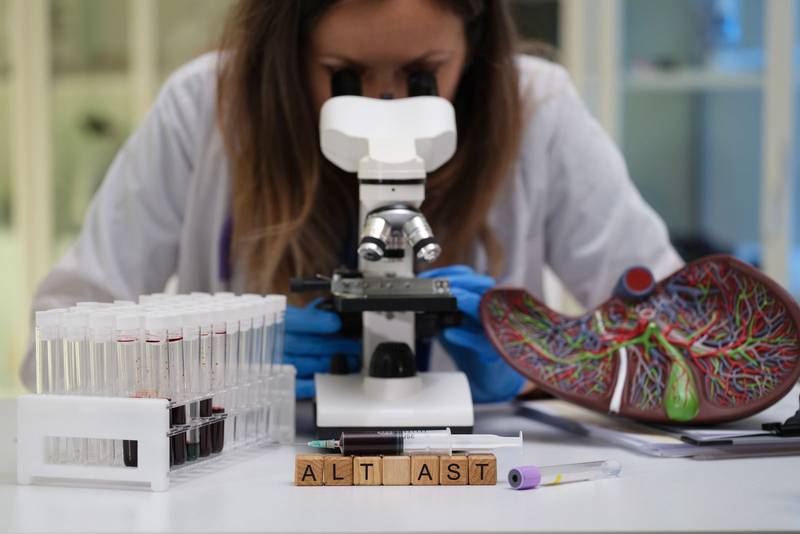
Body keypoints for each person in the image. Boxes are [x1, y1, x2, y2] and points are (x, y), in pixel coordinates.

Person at [22, 0, 683, 402]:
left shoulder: (539, 111)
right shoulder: (203, 110)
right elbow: (55, 345)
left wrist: (544, 361)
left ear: (473, 42)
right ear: (290, 50)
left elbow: (675, 340)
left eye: (422, 75)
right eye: (345, 76)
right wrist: (207, 363)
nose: (383, 103)